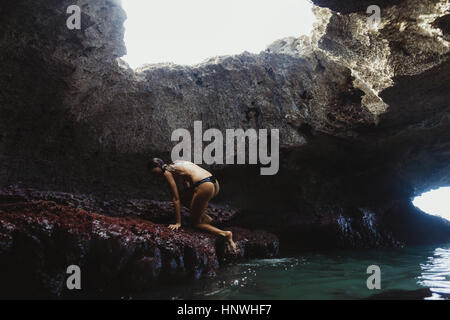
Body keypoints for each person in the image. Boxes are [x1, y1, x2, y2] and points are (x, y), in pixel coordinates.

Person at [150, 158, 236, 252]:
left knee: (195, 223)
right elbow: (186, 184)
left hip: (204, 185)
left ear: (158, 166)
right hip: (214, 183)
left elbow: (176, 199)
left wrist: (178, 223)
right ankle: (205, 218)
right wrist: (184, 197)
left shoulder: (166, 172)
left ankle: (225, 234)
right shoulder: (177, 164)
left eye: (154, 172)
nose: (155, 175)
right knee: (184, 198)